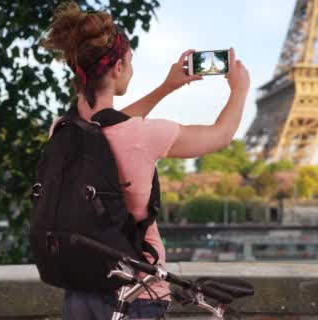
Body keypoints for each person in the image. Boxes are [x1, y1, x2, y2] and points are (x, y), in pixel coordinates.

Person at [41, 2, 250, 319]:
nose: (132, 69)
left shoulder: (62, 129)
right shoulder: (142, 135)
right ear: (118, 68)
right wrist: (240, 88)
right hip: (137, 295)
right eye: (130, 61)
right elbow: (221, 135)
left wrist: (166, 87)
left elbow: (105, 126)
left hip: (81, 292)